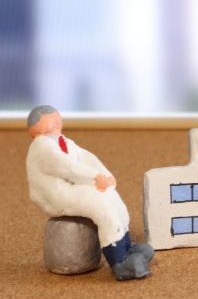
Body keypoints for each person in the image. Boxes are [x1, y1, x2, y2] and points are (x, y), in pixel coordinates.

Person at [25, 105, 154, 280]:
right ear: (38, 125)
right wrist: (94, 177)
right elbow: (65, 166)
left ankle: (126, 246)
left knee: (110, 195)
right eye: (52, 118)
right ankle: (119, 261)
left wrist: (105, 176)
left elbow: (86, 158)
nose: (57, 119)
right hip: (57, 195)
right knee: (98, 202)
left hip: (72, 187)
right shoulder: (41, 146)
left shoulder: (64, 141)